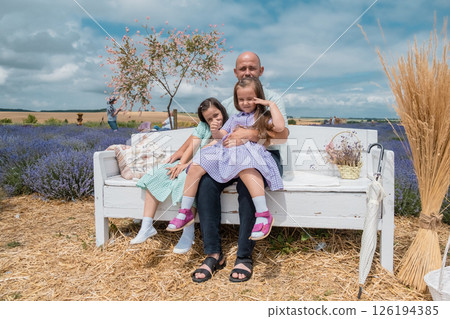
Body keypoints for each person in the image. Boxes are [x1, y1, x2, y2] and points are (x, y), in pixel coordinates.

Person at [172, 52, 288, 283]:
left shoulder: (270, 99)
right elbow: (207, 133)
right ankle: (213, 253)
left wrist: (250, 134)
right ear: (235, 73)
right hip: (230, 157)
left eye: (252, 68)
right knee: (205, 182)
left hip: (263, 156)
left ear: (260, 71)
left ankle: (244, 256)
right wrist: (185, 158)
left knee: (247, 184)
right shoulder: (229, 103)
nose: (247, 72)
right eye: (242, 68)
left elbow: (282, 136)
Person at [130, 98, 228, 254]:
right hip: (191, 163)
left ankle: (188, 234)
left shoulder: (228, 127)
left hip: (206, 167)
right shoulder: (203, 127)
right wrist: (181, 163)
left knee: (186, 179)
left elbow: (210, 150)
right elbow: (193, 146)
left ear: (222, 110)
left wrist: (186, 166)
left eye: (216, 115)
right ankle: (146, 226)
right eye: (209, 119)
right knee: (158, 174)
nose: (214, 120)